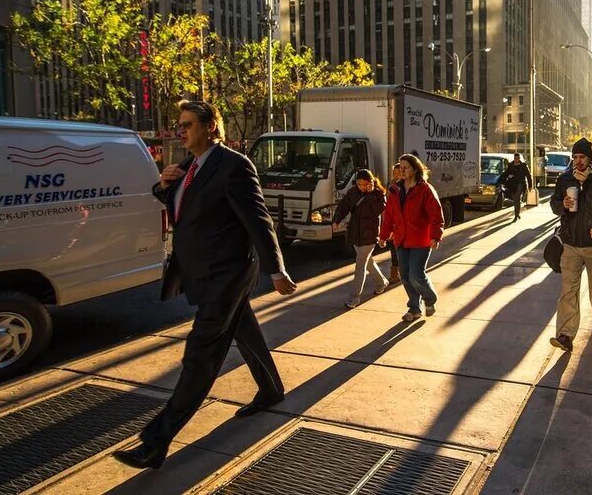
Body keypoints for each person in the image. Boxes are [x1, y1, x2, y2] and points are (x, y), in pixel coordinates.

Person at [114, 101, 297, 470]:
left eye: (187, 125)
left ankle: (155, 441)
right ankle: (271, 390)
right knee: (244, 332)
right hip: (204, 272)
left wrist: (276, 269)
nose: (180, 131)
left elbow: (259, 222)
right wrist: (162, 185)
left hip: (226, 275)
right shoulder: (187, 167)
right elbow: (183, 206)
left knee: (200, 355)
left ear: (211, 126)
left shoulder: (234, 165)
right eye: (178, 125)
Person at [548, 138, 592, 353]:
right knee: (568, 290)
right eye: (575, 157)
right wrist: (562, 205)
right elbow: (554, 204)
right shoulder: (565, 178)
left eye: (582, 157)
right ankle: (566, 335)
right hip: (570, 243)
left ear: (590, 157)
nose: (578, 161)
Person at [379, 154, 444, 322]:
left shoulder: (425, 189)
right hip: (401, 239)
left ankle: (430, 299)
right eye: (400, 167)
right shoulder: (394, 190)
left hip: (420, 239)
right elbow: (389, 216)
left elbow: (436, 215)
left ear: (415, 169)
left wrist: (435, 236)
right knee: (405, 276)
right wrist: (383, 235)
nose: (402, 170)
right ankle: (414, 309)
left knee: (416, 275)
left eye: (405, 167)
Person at [332, 169, 389, 309]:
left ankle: (355, 297)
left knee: (360, 265)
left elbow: (378, 210)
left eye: (365, 184)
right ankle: (381, 282)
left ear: (371, 182)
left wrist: (369, 195)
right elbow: (343, 206)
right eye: (359, 184)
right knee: (367, 262)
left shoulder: (379, 194)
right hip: (355, 233)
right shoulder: (352, 192)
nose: (362, 187)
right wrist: (336, 220)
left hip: (369, 235)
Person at [496, 152, 533, 222]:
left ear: (519, 158)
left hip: (520, 184)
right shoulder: (510, 165)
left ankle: (516, 215)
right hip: (512, 185)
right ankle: (517, 213)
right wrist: (500, 181)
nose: (516, 160)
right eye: (515, 158)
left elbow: (528, 176)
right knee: (516, 200)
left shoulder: (523, 166)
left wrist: (530, 186)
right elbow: (505, 174)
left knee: (516, 198)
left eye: (517, 158)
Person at [385, 164, 403, 284]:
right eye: (394, 173)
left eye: (398, 173)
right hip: (392, 221)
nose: (396, 176)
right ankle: (394, 274)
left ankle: (402, 272)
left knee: (401, 249)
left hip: (401, 222)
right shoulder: (390, 185)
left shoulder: (405, 186)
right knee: (393, 248)